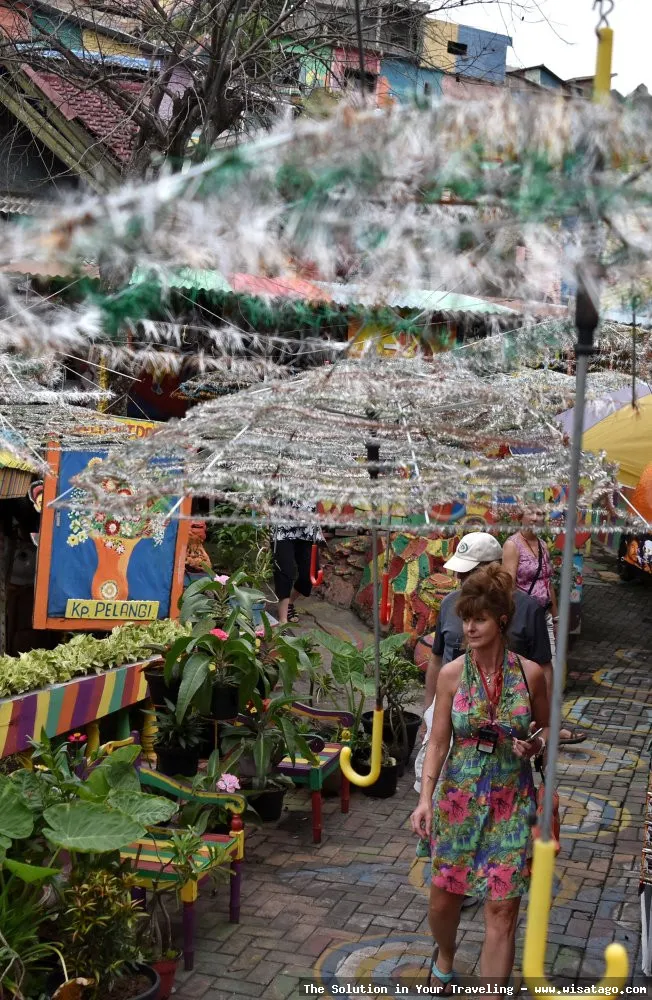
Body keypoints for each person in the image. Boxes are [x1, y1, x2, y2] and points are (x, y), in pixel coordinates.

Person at [410, 565, 550, 990]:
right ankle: (446, 955)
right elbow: (437, 743)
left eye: (478, 619)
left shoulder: (530, 675)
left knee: (502, 910)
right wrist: (425, 798)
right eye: (465, 618)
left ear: (501, 620)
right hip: (459, 798)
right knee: (443, 900)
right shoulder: (452, 675)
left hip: (511, 799)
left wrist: (536, 744)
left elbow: (544, 728)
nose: (468, 627)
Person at [502, 505, 585, 744]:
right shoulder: (512, 545)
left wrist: (556, 617)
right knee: (524, 670)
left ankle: (549, 725)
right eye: (532, 514)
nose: (537, 519)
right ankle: (525, 722)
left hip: (544, 615)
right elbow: (509, 586)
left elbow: (547, 584)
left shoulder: (543, 545)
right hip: (523, 618)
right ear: (520, 517)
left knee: (550, 669)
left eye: (540, 515)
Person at [271, 499, 322, 625]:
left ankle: (289, 602)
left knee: (311, 574)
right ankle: (283, 620)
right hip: (282, 528)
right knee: (285, 571)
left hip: (308, 530)